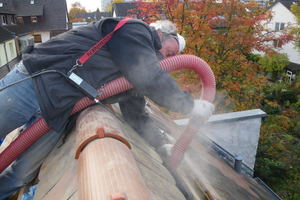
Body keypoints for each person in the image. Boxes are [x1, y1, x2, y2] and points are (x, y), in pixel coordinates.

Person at [0, 17, 214, 199]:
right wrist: (189, 105)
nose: (170, 59)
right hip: (33, 82)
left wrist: (160, 145)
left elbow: (135, 113)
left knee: (22, 173)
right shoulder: (134, 30)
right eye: (171, 51)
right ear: (162, 33)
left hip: (57, 109)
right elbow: (150, 77)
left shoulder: (135, 67)